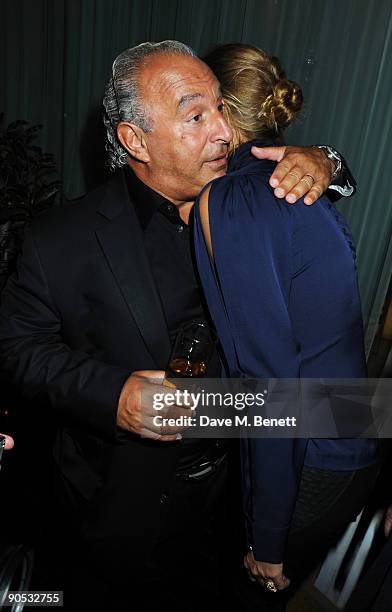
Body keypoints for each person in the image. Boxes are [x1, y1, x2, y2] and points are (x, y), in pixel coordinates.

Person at [0, 40, 356, 611]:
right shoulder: (59, 240)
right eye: (196, 116)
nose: (223, 131)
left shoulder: (249, 197)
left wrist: (329, 160)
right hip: (117, 499)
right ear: (135, 140)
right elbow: (17, 347)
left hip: (233, 486)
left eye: (221, 107)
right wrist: (111, 394)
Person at [194, 43, 379, 611]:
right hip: (357, 421)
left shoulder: (237, 198)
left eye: (194, 107)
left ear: (220, 113)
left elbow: (270, 385)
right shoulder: (288, 178)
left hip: (315, 447)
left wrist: (267, 537)